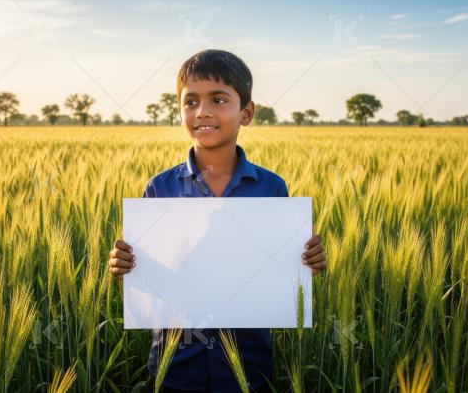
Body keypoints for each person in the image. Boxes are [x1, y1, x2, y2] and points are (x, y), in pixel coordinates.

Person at [109, 49, 327, 392]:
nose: (203, 111)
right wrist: (124, 266)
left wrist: (309, 263)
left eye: (219, 99)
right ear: (179, 110)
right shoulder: (159, 188)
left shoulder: (272, 188)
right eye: (190, 101)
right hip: (175, 367)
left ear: (247, 113)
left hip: (248, 365)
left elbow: (287, 274)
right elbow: (147, 277)